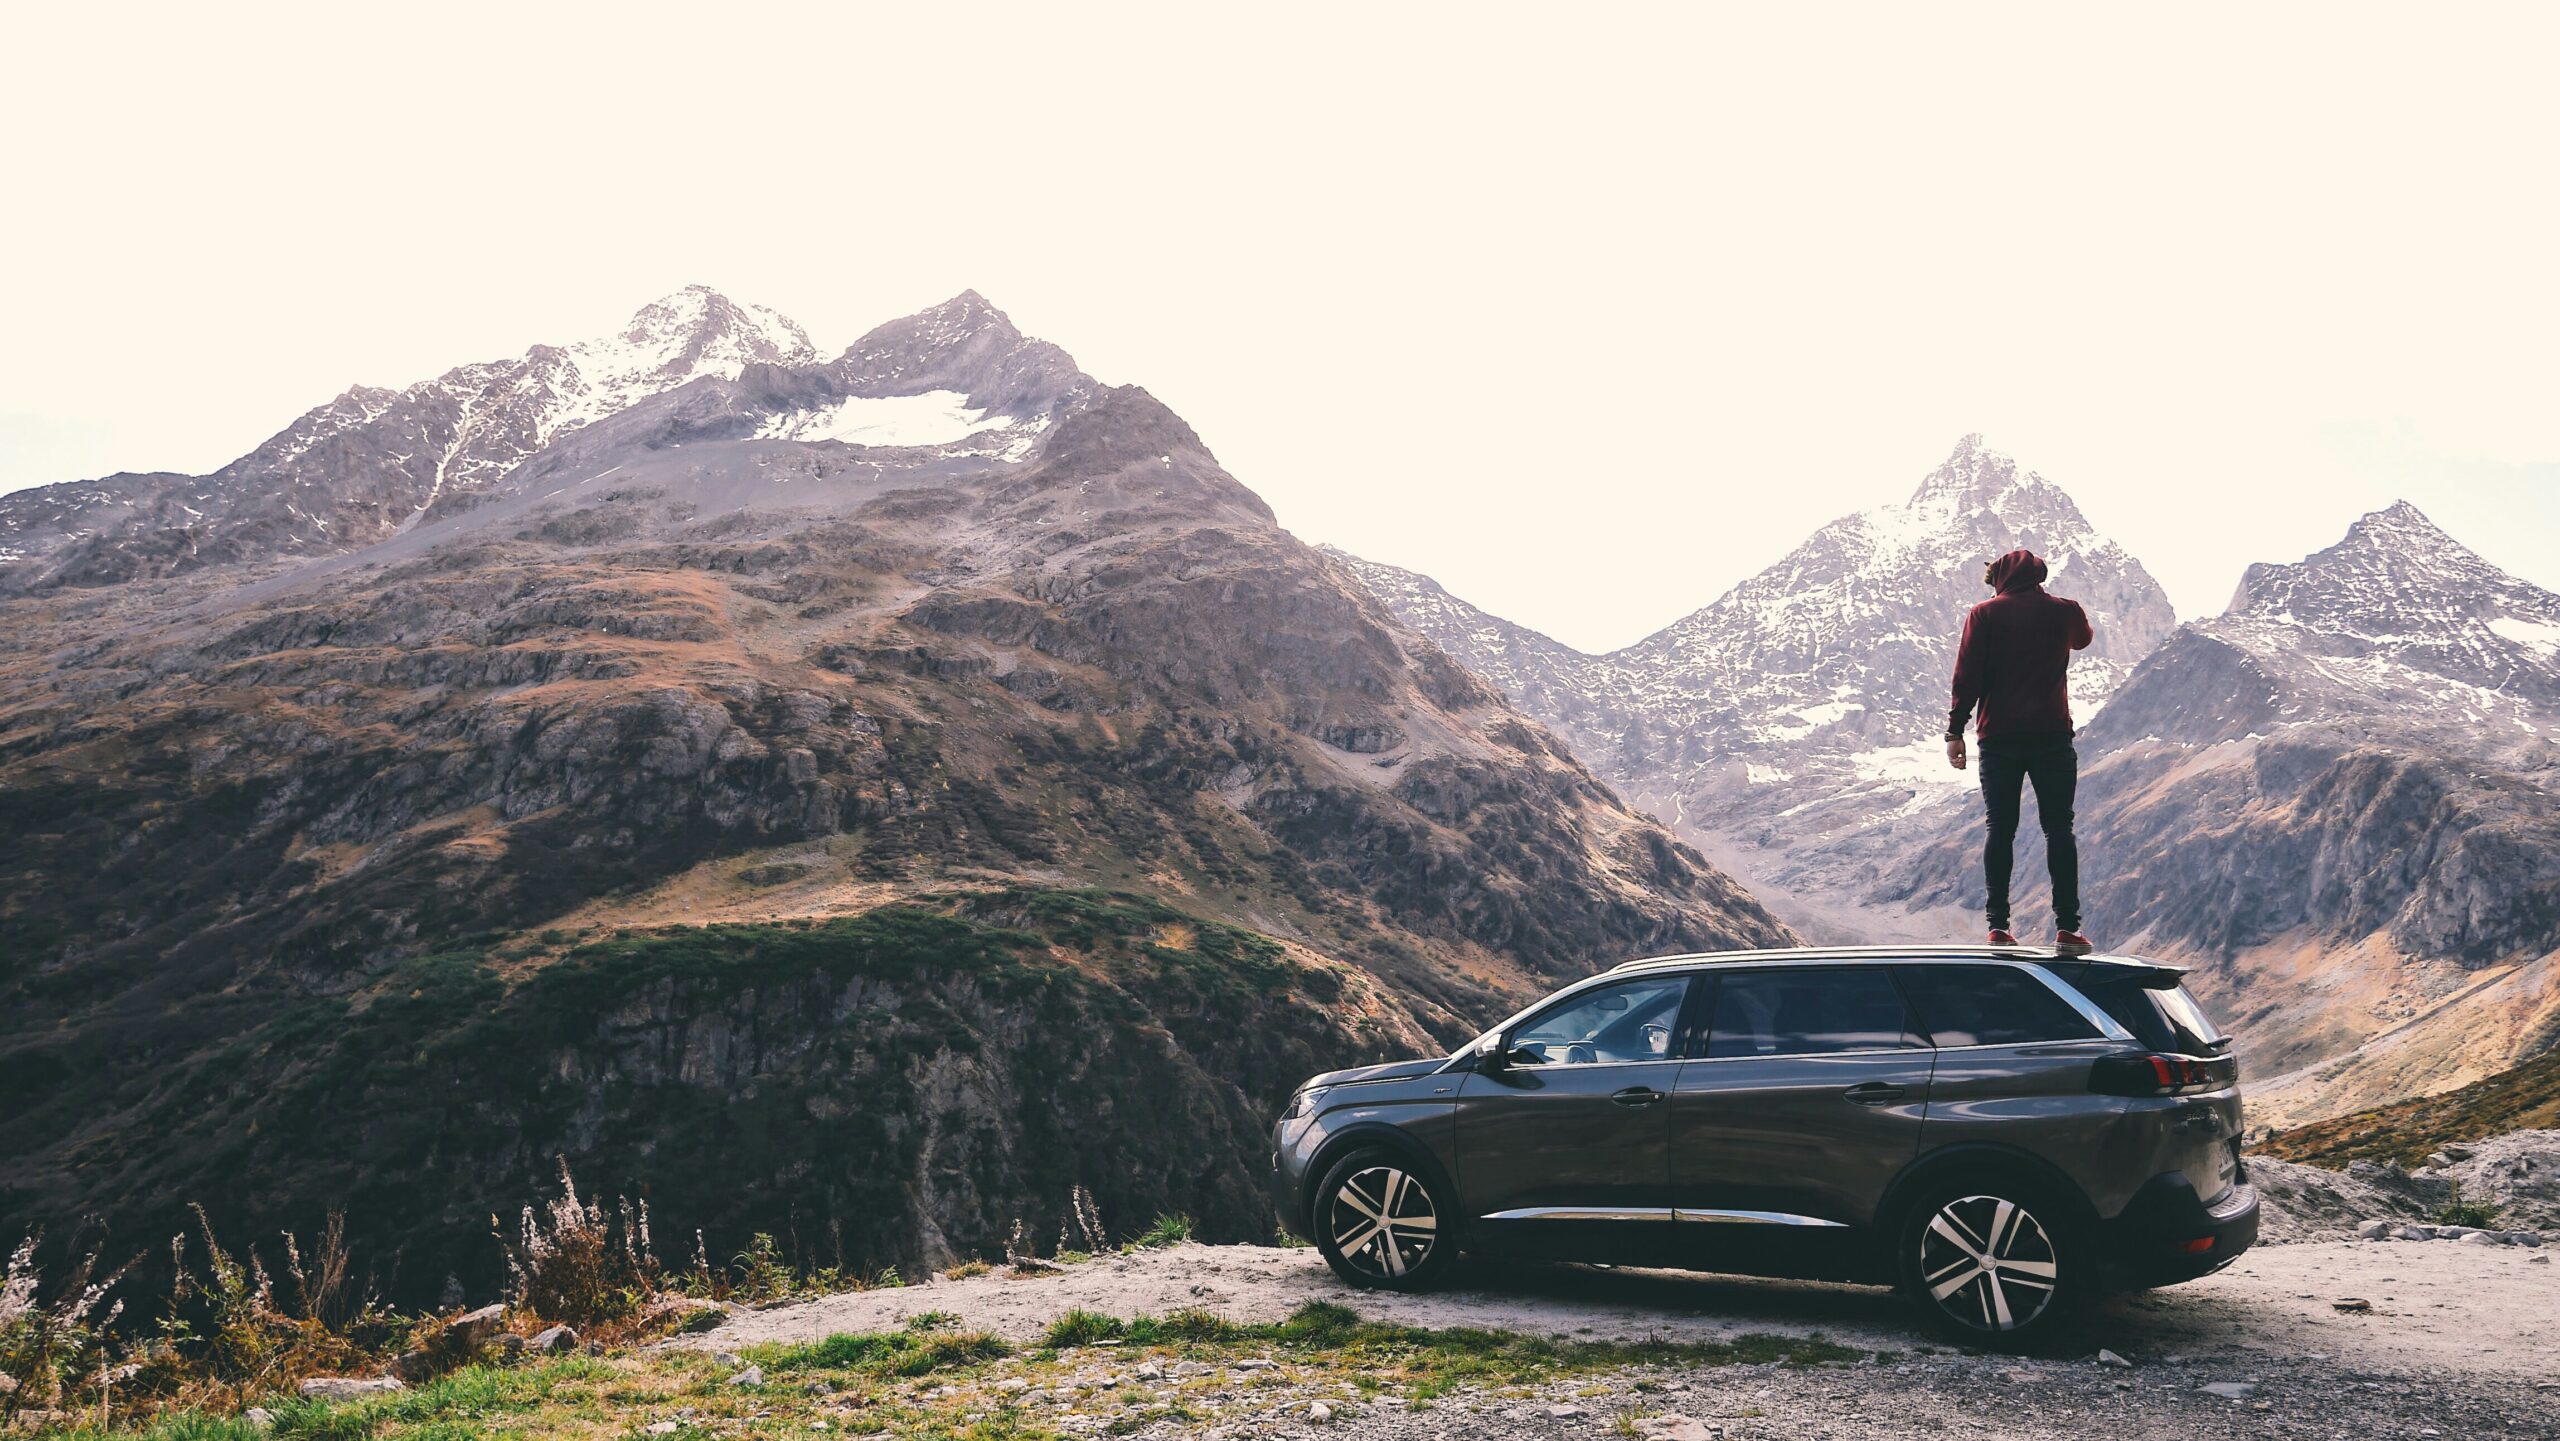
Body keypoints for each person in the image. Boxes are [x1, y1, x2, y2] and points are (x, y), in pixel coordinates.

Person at [1945, 548, 2094, 953]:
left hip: (1999, 738)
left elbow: (1967, 675)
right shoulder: (2065, 611)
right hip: (2051, 735)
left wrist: (1955, 731)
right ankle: (2067, 929)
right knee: (2059, 828)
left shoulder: (1984, 614)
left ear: (1999, 579)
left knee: (2001, 828)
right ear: (2039, 575)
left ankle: (1998, 928)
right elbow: (2083, 640)